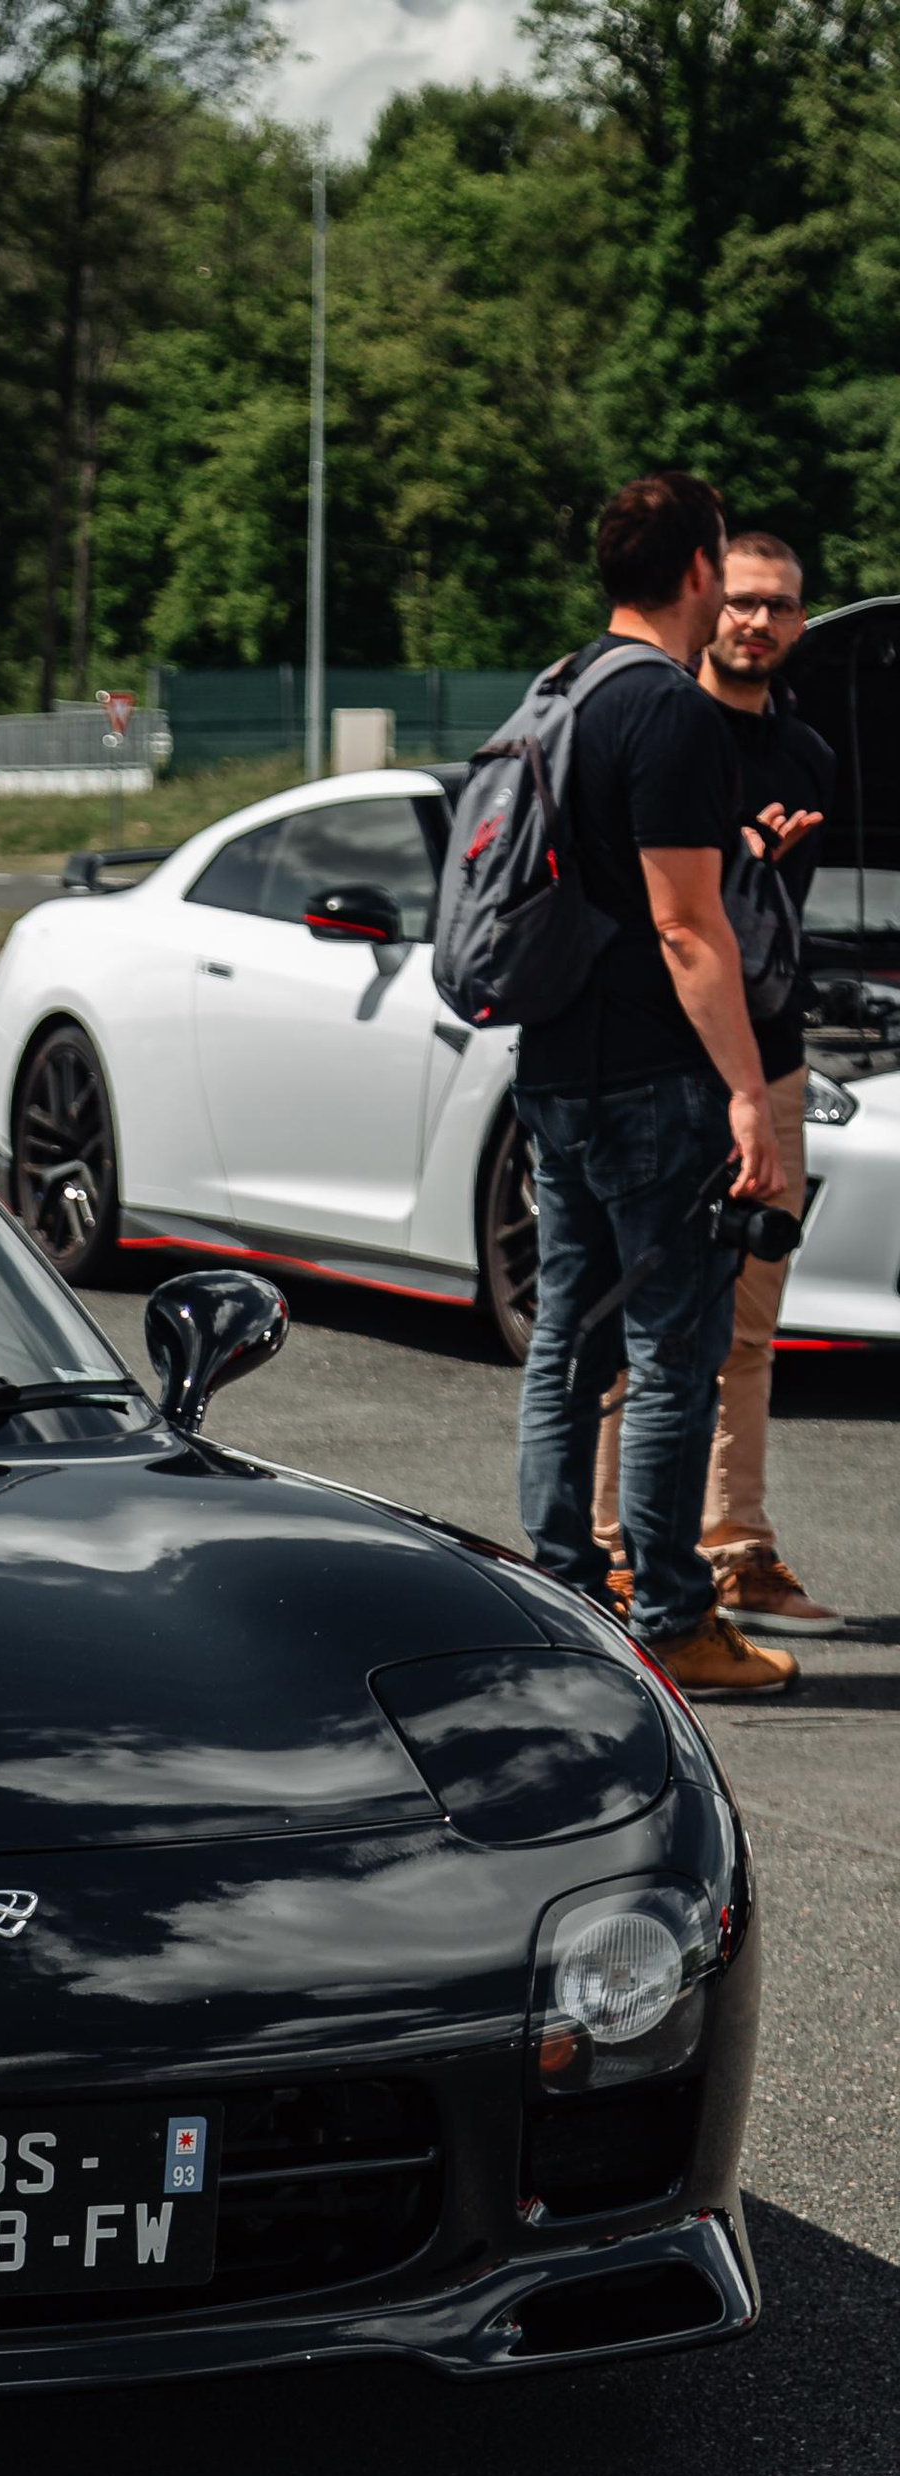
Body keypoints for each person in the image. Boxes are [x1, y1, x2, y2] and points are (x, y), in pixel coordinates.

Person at [510, 470, 796, 1698]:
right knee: (671, 1352)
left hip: (552, 1069)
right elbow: (688, 930)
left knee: (564, 1338)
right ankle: (675, 1618)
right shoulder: (667, 713)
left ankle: (559, 1583)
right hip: (648, 1081)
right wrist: (745, 1091)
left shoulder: (556, 690)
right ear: (694, 572)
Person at [590, 530, 838, 1636]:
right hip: (660, 1066)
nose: (758, 623)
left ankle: (732, 1545)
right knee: (635, 1321)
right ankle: (618, 1550)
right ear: (708, 603)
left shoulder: (809, 757)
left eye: (780, 607)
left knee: (745, 1323)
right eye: (741, 601)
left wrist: (760, 869)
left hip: (769, 1062)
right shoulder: (658, 725)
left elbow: (764, 931)